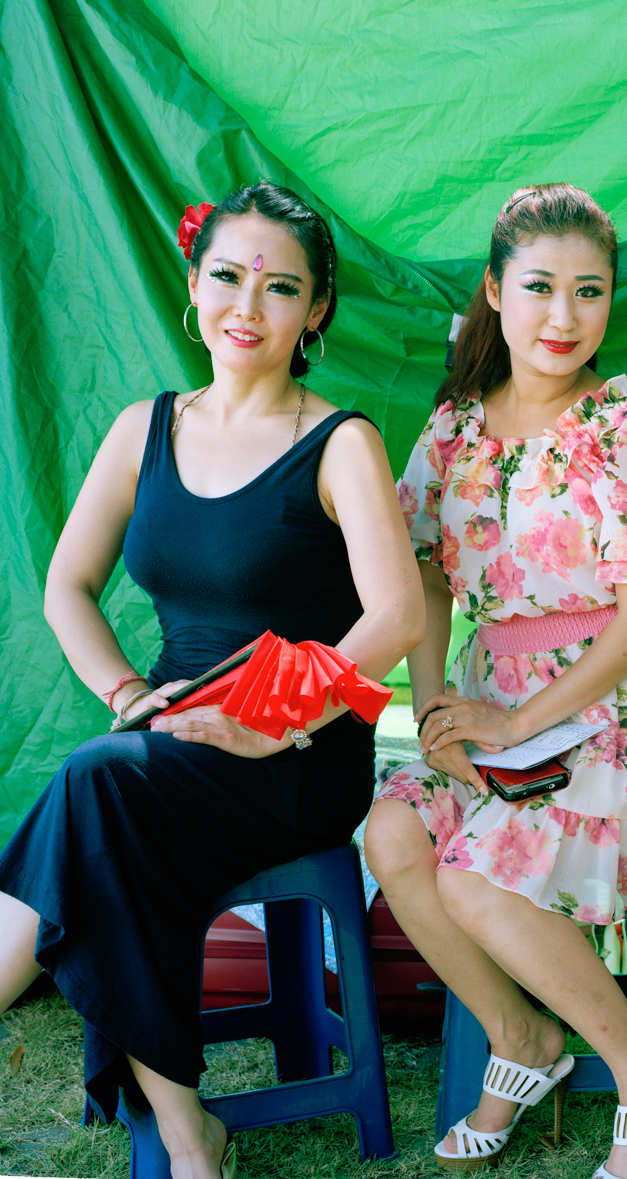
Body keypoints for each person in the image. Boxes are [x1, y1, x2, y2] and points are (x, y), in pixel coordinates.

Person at [0, 180, 424, 1179]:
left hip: (300, 752)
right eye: (228, 276)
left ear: (316, 310)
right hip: (171, 736)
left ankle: (190, 1139)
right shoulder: (143, 429)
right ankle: (190, 1134)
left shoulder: (341, 443)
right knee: (106, 789)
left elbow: (397, 618)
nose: (248, 305)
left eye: (281, 287)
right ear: (193, 285)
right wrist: (122, 691)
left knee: (96, 785)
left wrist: (274, 723)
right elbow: (66, 586)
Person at [362, 184, 627, 1179]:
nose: (565, 316)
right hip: (489, 702)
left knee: (476, 879)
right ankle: (520, 1035)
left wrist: (513, 722)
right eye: (540, 288)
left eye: (589, 292)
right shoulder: (455, 429)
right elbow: (428, 575)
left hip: (618, 709)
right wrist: (439, 711)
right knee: (394, 835)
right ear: (494, 290)